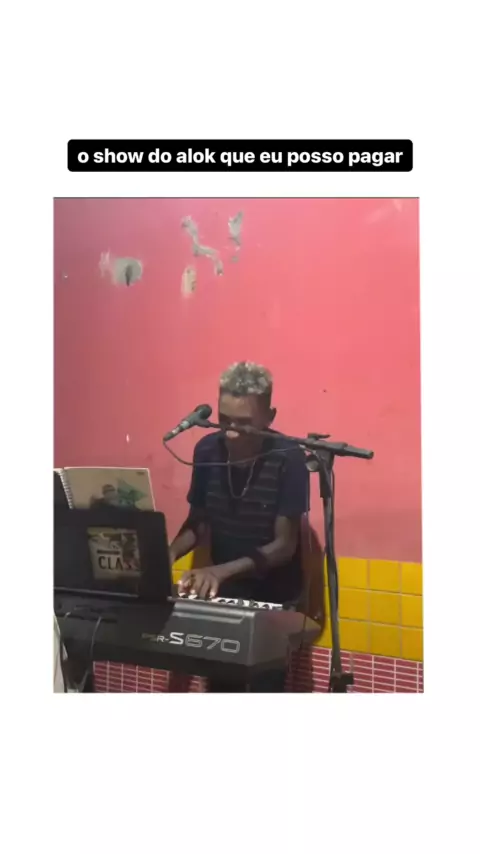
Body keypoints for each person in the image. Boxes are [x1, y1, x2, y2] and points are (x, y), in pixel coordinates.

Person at [169, 361, 310, 692]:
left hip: (274, 597)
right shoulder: (207, 450)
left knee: (263, 689)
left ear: (269, 417)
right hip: (224, 591)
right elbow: (198, 522)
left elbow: (284, 546)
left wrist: (218, 571)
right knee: (221, 687)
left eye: (244, 424)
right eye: (224, 420)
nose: (231, 432)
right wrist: (168, 553)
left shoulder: (289, 458)